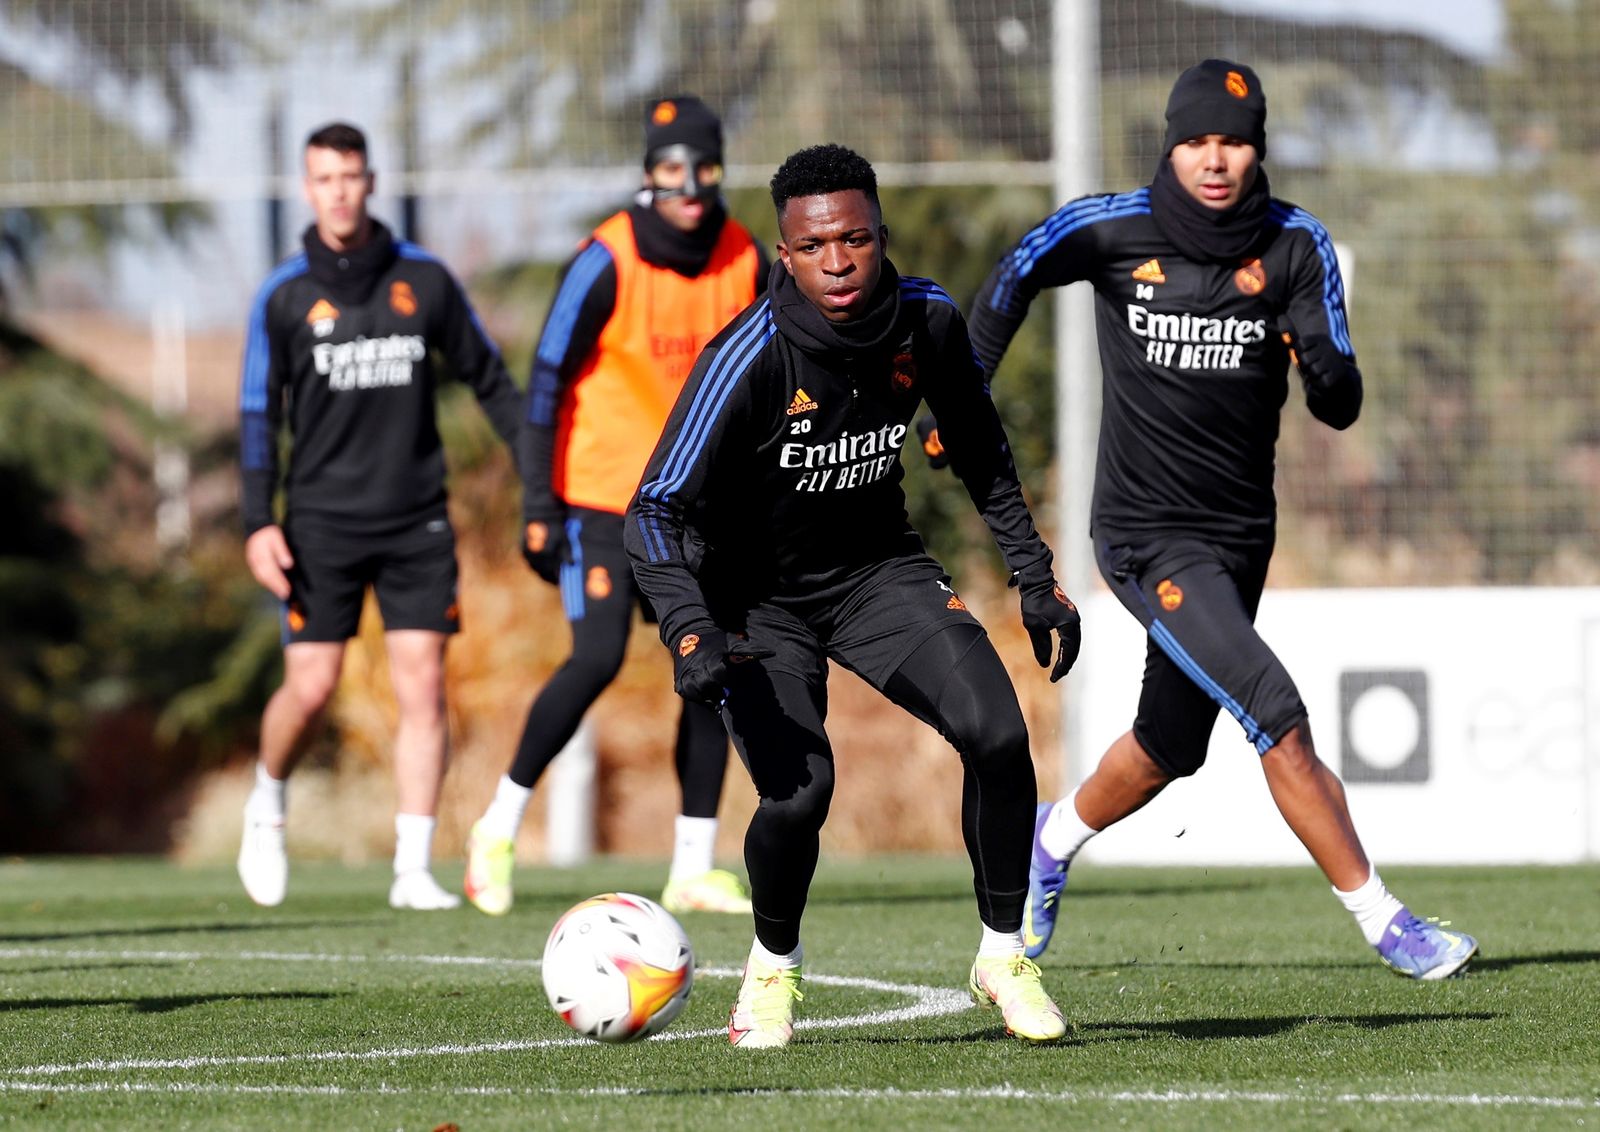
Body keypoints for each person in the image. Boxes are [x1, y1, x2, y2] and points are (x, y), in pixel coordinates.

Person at [963, 59, 1477, 978]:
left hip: (1240, 536)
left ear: (1257, 151)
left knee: (1170, 747)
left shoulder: (1296, 245)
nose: (1214, 159)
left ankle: (1048, 843)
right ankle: (1386, 921)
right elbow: (1014, 274)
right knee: (1275, 711)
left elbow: (1342, 399)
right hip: (1140, 536)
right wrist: (963, 399)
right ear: (1172, 145)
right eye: (1197, 140)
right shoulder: (1112, 226)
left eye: (1233, 142)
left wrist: (1325, 372)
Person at [625, 144, 1084, 1049]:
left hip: (879, 574)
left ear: (882, 236)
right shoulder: (746, 357)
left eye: (857, 240)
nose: (838, 261)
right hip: (753, 601)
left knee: (998, 732)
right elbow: (652, 509)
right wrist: (688, 629)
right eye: (816, 245)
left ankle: (1004, 955)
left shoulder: (929, 321)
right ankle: (771, 969)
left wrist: (1036, 575)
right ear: (784, 254)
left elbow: (980, 447)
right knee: (799, 795)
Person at [462, 96, 767, 917]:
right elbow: (547, 381)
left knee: (713, 670)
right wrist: (538, 505)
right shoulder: (605, 257)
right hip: (600, 502)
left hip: (698, 508)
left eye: (703, 167)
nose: (690, 184)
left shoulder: (745, 255)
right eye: (672, 169)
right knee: (594, 659)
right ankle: (495, 831)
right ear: (647, 176)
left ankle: (693, 865)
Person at [238, 121, 522, 910]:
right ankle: (268, 801)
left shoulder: (424, 281)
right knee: (312, 685)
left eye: (352, 176)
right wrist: (258, 521)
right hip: (320, 524)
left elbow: (492, 383)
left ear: (370, 182)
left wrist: (540, 481)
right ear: (308, 187)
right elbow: (257, 414)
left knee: (423, 687)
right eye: (324, 178)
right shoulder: (284, 293)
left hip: (415, 521)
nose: (339, 191)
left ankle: (410, 869)